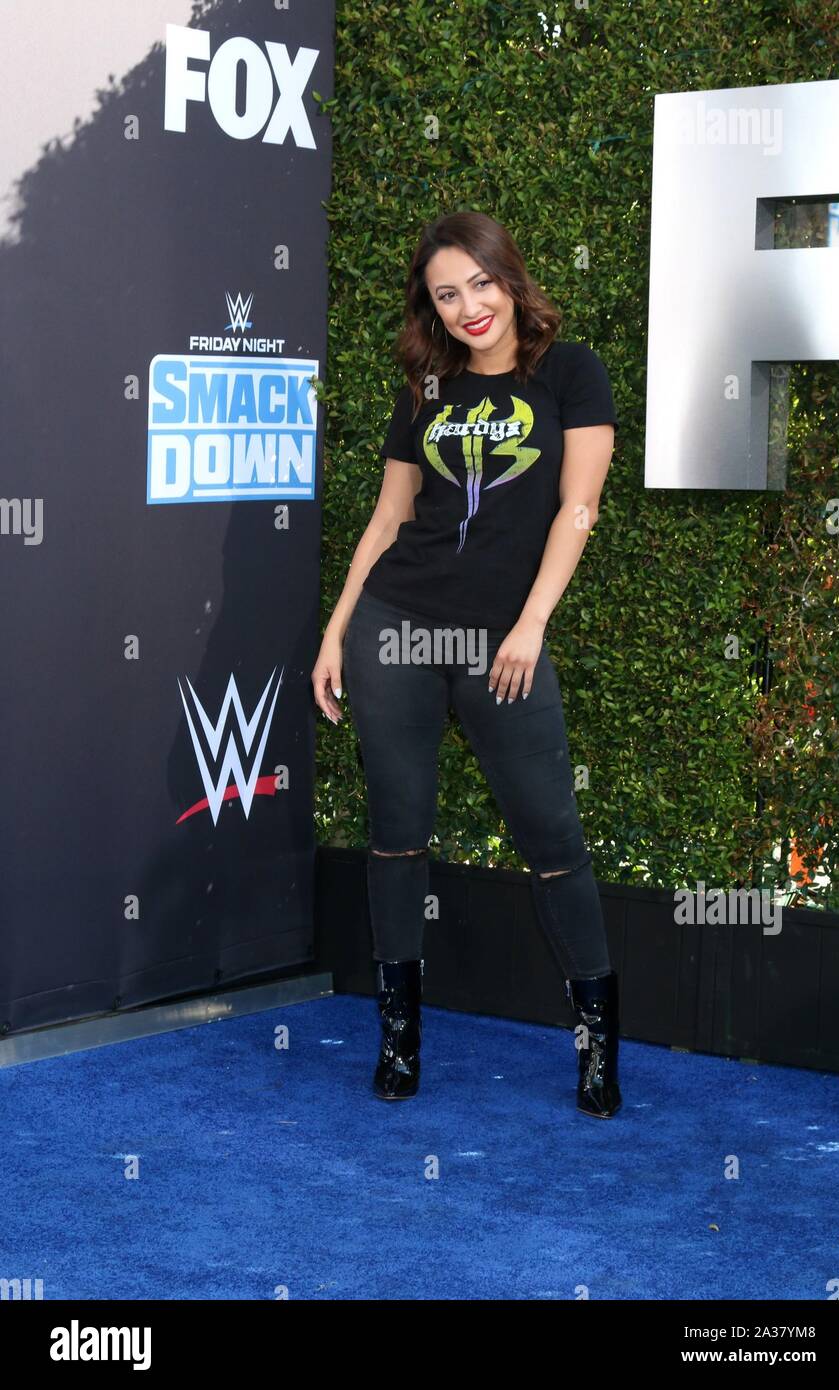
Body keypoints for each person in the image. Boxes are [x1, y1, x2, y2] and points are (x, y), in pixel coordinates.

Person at [312, 211, 621, 1117]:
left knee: (553, 841)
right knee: (397, 835)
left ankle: (597, 1049)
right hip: (397, 628)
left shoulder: (569, 372)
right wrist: (336, 631)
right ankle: (399, 1042)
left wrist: (530, 625)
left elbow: (579, 508)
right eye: (446, 294)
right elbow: (387, 519)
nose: (467, 307)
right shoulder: (428, 384)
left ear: (509, 277)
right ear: (432, 307)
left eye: (479, 284)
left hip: (503, 643)